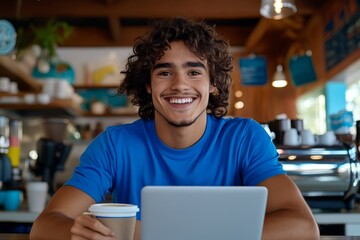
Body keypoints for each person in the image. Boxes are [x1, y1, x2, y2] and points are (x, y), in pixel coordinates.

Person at [30, 17, 319, 240]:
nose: (180, 84)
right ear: (148, 84)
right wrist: (79, 233)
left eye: (194, 72)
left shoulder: (245, 137)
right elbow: (44, 225)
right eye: (165, 72)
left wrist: (152, 234)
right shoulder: (114, 145)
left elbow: (303, 227)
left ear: (212, 84)